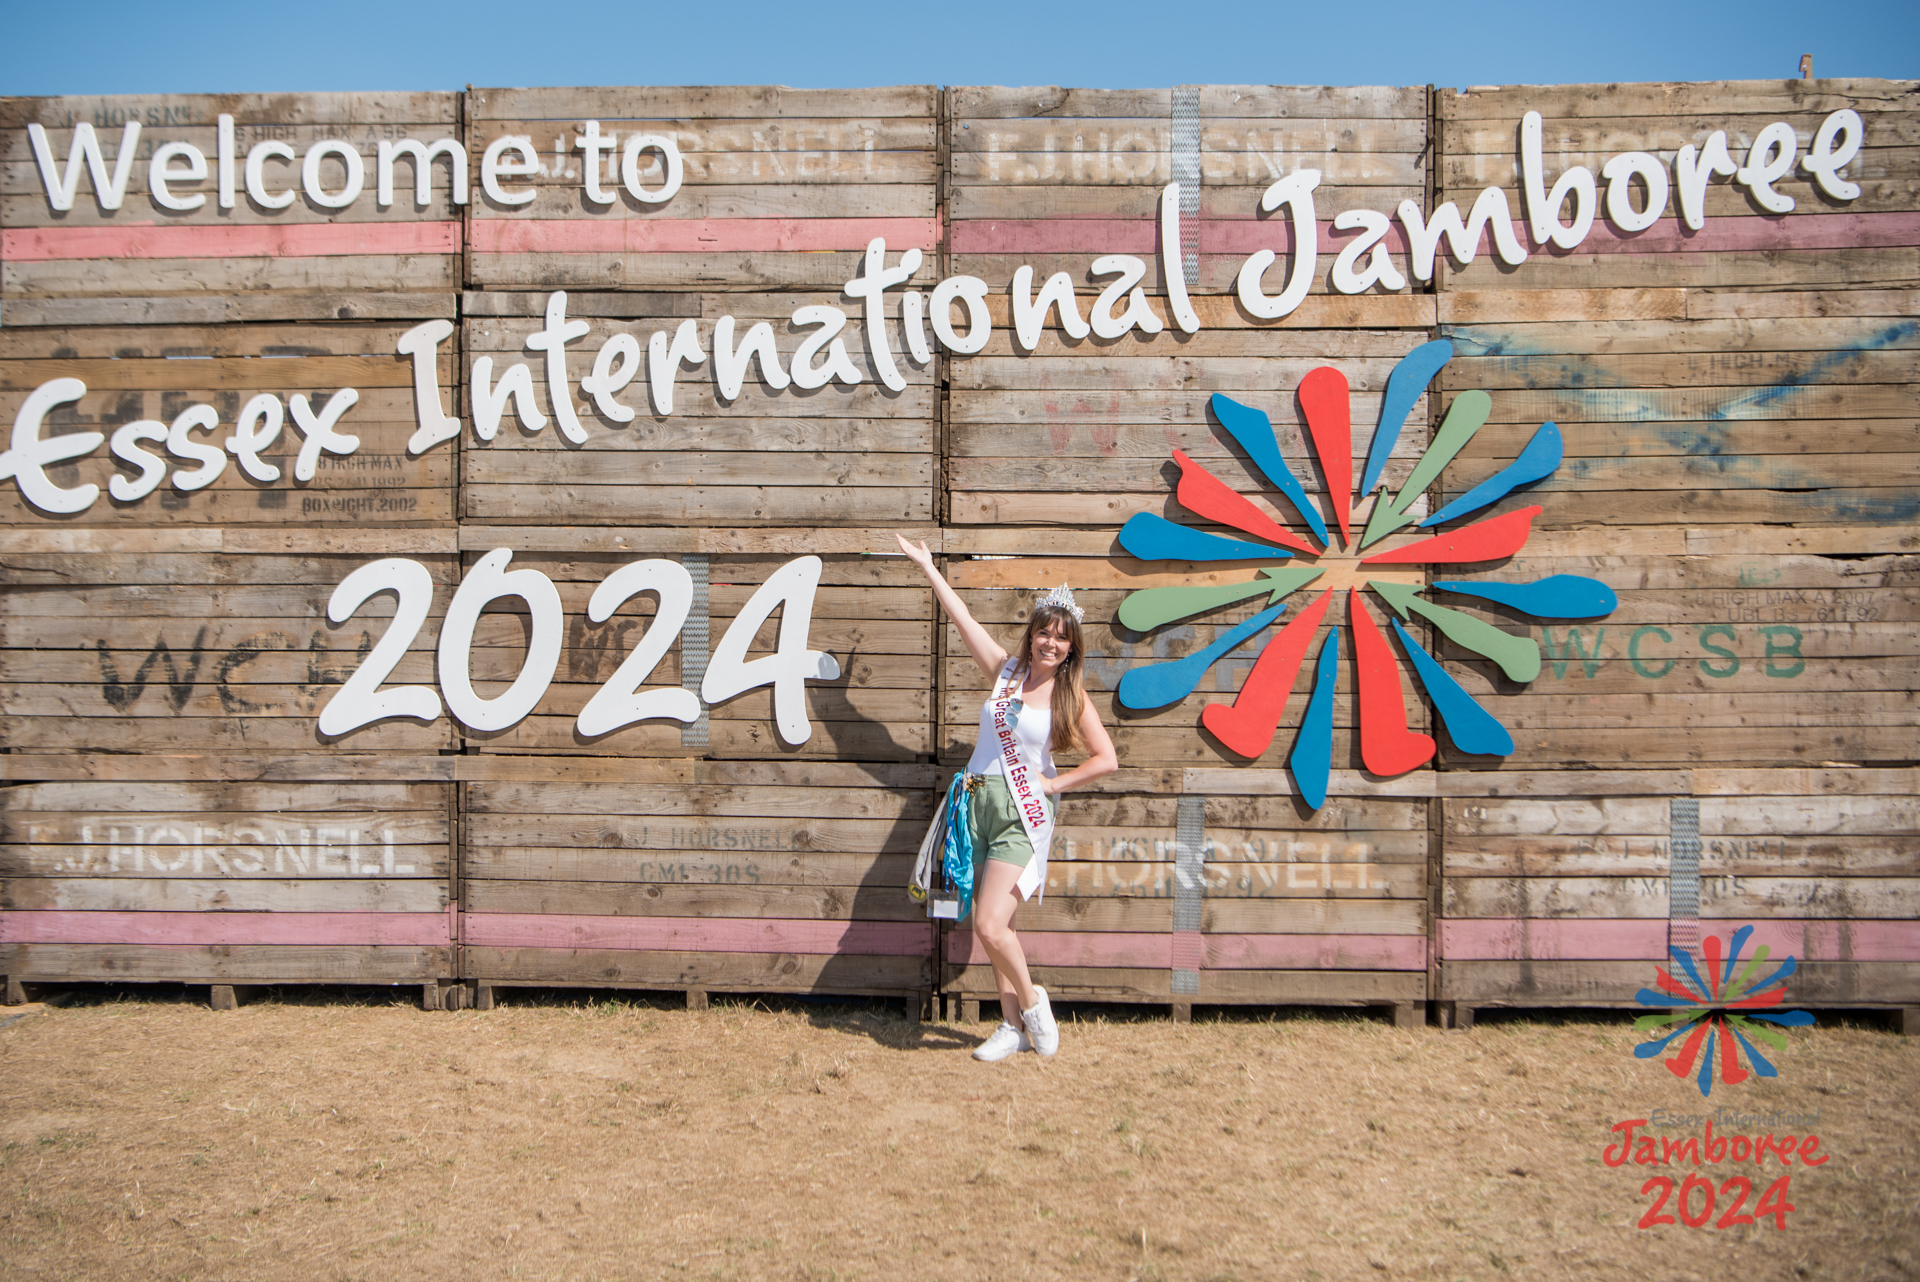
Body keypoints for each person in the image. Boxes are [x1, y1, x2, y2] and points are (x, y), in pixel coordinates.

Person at [895, 534, 1119, 1061]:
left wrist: (1052, 784)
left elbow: (1106, 757)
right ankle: (1011, 1026)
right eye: (1044, 633)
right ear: (1033, 636)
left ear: (1071, 647)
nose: (1050, 644)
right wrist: (930, 569)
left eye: (1061, 639)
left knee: (990, 923)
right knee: (999, 927)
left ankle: (1035, 1006)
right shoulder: (1006, 674)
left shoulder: (1071, 695)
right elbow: (964, 619)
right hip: (976, 808)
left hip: (1023, 814)